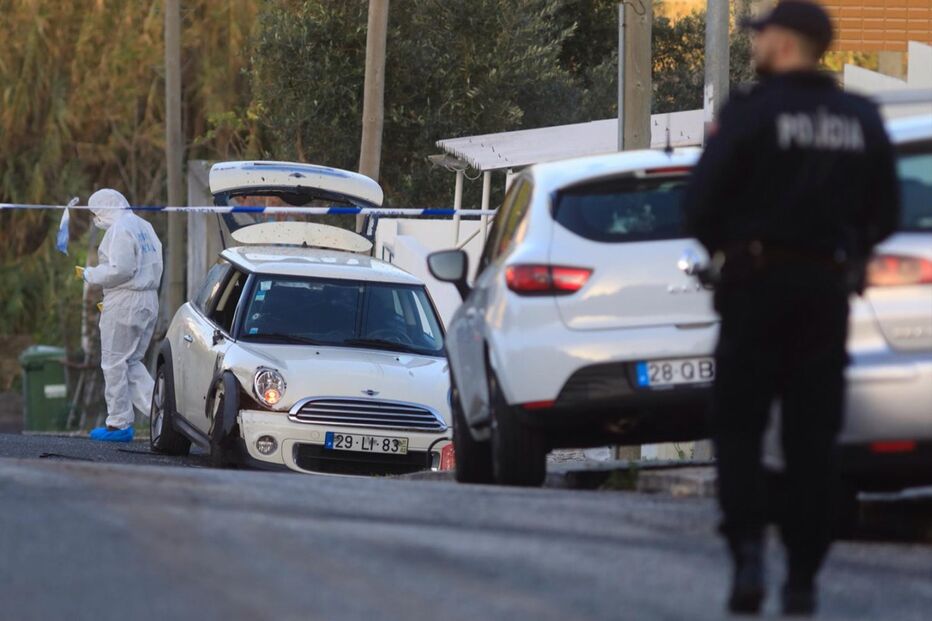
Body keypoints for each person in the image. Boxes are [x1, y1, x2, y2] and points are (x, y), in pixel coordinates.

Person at [682, 1, 900, 616]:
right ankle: (803, 576)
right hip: (826, 293)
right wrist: (849, 254)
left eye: (762, 35)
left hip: (754, 287)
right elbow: (885, 211)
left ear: (785, 43)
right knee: (813, 437)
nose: (755, 44)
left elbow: (699, 204)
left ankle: (749, 553)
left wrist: (727, 252)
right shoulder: (861, 117)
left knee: (739, 427)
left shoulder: (752, 114)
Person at [78, 189, 163, 442]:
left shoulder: (119, 229)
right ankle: (162, 413)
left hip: (126, 299)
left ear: (104, 209)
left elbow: (121, 270)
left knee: (114, 363)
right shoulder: (143, 225)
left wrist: (89, 274)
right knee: (132, 362)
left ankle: (118, 424)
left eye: (95, 213)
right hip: (148, 298)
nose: (96, 219)